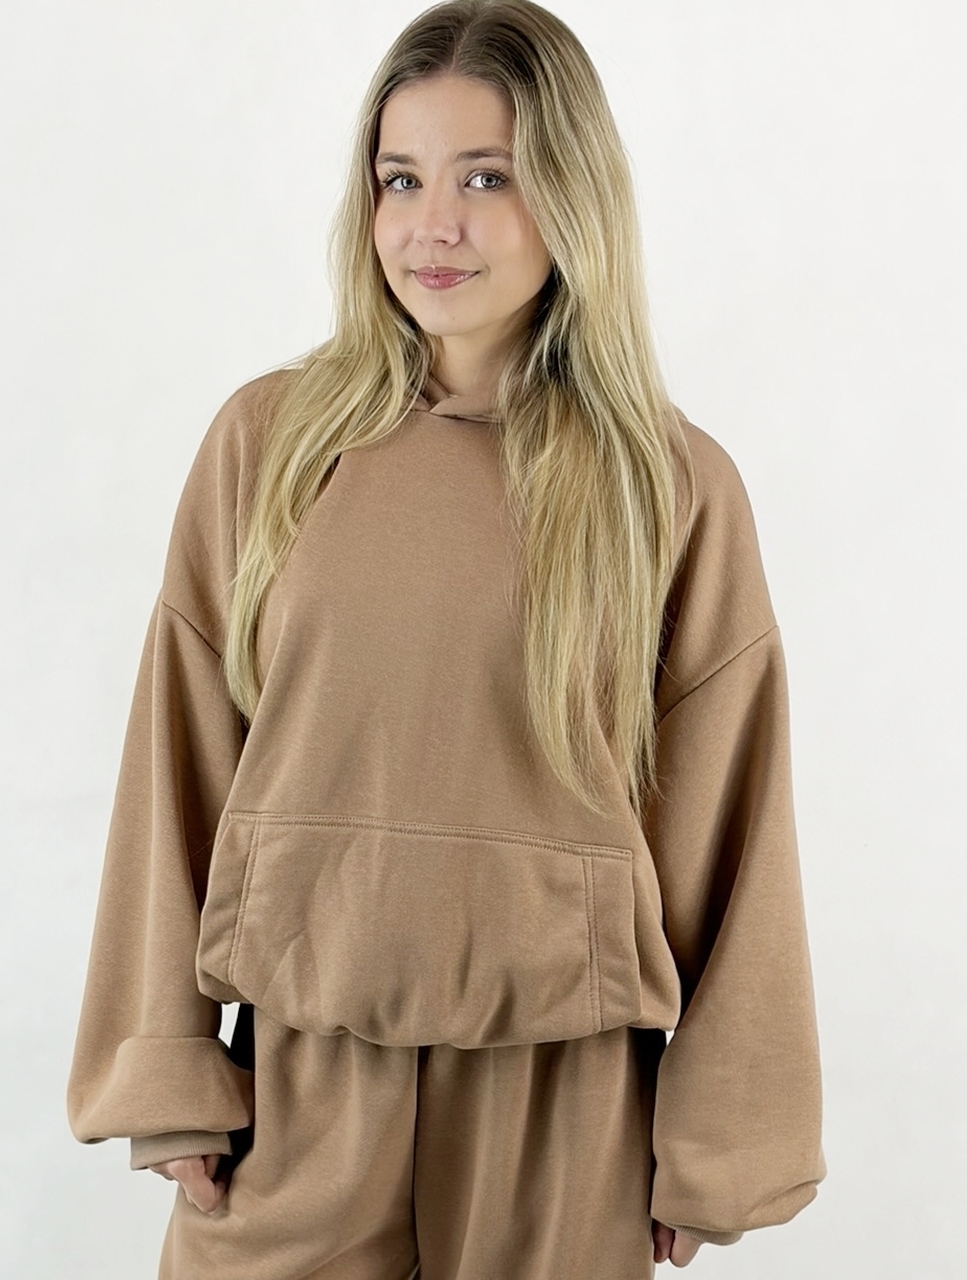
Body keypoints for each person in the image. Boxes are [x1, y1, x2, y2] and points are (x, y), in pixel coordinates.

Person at [66, 2, 827, 1276]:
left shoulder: (665, 487)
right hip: (298, 1087)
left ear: (571, 194)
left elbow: (732, 823)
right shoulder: (270, 446)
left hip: (563, 1100)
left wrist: (723, 1139)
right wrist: (165, 1061)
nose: (434, 225)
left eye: (486, 177)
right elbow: (179, 757)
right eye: (400, 179)